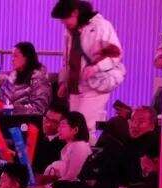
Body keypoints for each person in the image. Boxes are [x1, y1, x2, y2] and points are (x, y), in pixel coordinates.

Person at [51, 0, 126, 135]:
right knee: (74, 128)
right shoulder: (70, 32)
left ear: (75, 13)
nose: (63, 23)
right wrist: (64, 82)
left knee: (84, 128)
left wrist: (96, 68)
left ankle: (87, 149)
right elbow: (67, 60)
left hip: (95, 85)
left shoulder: (101, 26)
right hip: (75, 86)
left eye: (64, 19)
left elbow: (116, 54)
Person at [0, 42, 53, 117]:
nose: (12, 59)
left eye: (16, 56)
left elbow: (39, 108)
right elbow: (1, 99)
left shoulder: (39, 79)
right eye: (12, 56)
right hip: (7, 119)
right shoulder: (11, 78)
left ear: (27, 58)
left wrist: (14, 109)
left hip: (28, 121)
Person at [44, 111, 92, 181]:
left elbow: (71, 177)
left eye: (63, 126)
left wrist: (49, 186)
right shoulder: (69, 146)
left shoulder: (79, 146)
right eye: (59, 126)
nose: (58, 129)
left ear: (75, 130)